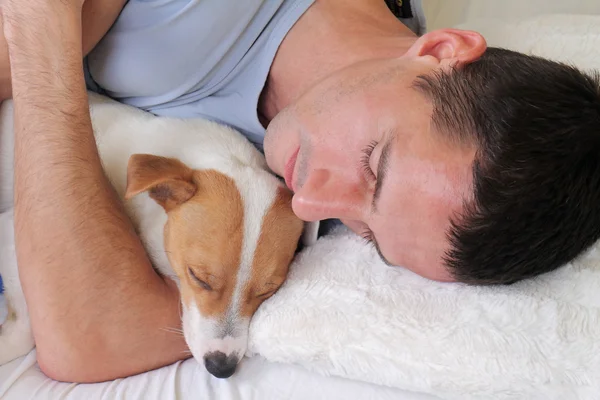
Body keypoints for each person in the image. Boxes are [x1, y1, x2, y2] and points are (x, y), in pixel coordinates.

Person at [2, 0, 600, 383]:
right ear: (440, 51)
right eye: (374, 164)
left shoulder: (284, 212)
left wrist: (45, 39)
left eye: (366, 232)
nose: (314, 204)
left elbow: (89, 339)